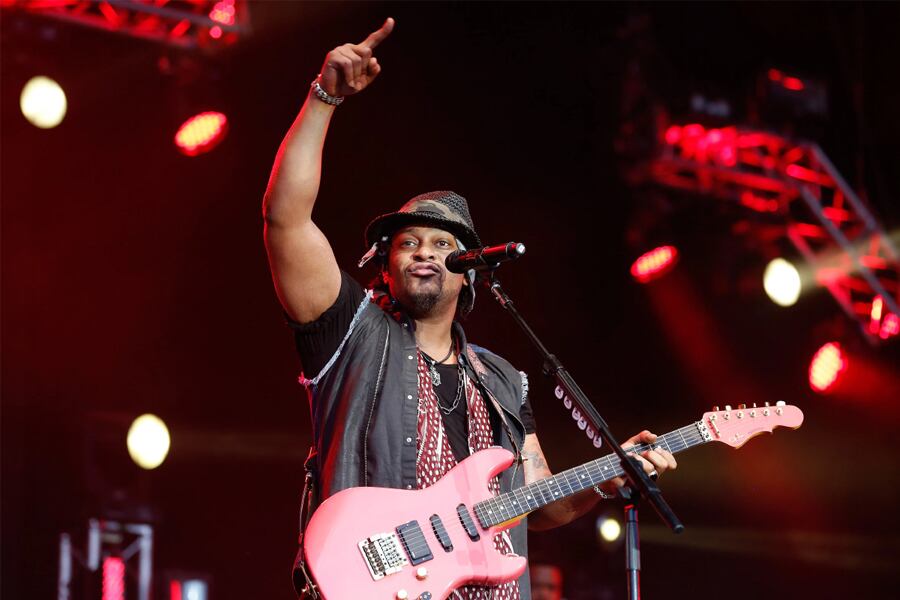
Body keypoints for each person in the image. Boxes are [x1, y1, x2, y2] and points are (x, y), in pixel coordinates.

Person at [262, 18, 677, 599]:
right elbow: (286, 220)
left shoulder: (503, 381)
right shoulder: (350, 333)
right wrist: (323, 98)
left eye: (443, 245)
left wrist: (609, 475)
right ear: (385, 266)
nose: (425, 253)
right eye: (409, 243)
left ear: (470, 274)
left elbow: (539, 502)